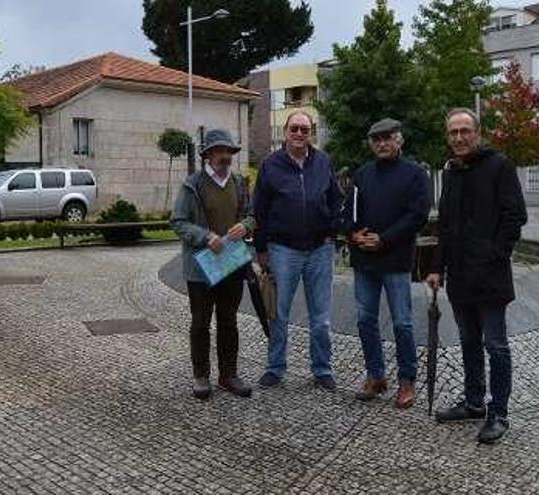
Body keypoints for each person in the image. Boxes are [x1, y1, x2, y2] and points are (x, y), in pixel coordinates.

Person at [426, 108, 527, 444]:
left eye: (464, 130)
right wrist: (436, 268)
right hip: (460, 280)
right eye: (453, 132)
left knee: (495, 345)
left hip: (491, 277)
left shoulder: (500, 166)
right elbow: (445, 227)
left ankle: (498, 413)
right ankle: (473, 403)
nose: (458, 137)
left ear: (477, 131)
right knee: (469, 342)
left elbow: (515, 217)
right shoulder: (452, 172)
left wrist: (494, 255)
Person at [252, 111, 344, 390]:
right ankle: (275, 367)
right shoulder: (270, 165)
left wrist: (332, 233)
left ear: (311, 133)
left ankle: (322, 369)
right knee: (278, 313)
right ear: (285, 131)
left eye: (305, 129)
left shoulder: (323, 161)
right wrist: (261, 249)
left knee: (321, 318)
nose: (300, 134)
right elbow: (260, 209)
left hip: (319, 249)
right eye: (295, 128)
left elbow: (336, 199)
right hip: (283, 249)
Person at [345, 118, 430, 408]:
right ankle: (376, 375)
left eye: (388, 138)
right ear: (371, 144)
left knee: (403, 323)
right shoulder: (362, 174)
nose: (382, 143)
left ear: (399, 140)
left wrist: (384, 239)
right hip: (364, 261)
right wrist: (353, 233)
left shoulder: (415, 174)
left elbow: (417, 215)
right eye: (376, 139)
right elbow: (350, 210)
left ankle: (407, 380)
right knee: (365, 320)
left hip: (395, 260)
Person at [170, 128, 255, 400]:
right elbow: (178, 222)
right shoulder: (192, 185)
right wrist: (205, 237)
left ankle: (228, 375)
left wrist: (246, 225)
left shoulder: (240, 183)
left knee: (229, 321)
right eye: (218, 150)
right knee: (200, 323)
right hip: (201, 269)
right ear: (207, 155)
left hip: (231, 263)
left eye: (228, 151)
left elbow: (252, 216)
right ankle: (201, 376)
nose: (224, 155)